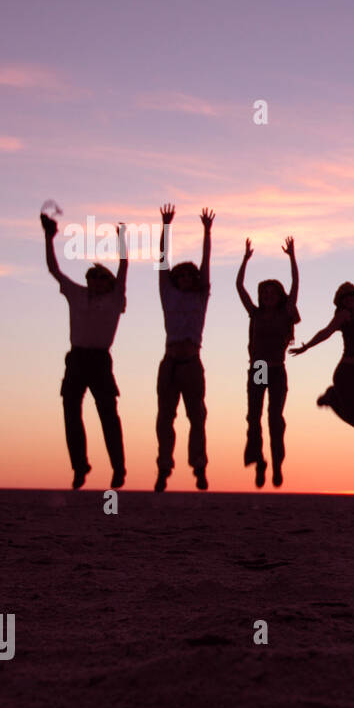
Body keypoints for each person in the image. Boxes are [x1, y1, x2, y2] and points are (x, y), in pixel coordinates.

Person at [43, 211, 128, 490]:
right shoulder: (76, 293)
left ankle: (118, 469)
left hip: (100, 361)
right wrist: (48, 237)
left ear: (109, 283)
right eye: (92, 277)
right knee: (71, 411)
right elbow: (54, 270)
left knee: (108, 415)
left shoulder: (115, 299)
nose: (95, 281)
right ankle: (80, 467)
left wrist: (122, 240)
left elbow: (124, 267)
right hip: (77, 359)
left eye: (101, 278)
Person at [154, 204, 213, 492]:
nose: (186, 280)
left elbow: (206, 263)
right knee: (165, 418)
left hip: (191, 363)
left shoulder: (200, 298)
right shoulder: (168, 293)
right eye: (182, 277)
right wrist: (166, 227)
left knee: (197, 417)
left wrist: (206, 231)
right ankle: (164, 468)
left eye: (190, 276)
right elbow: (163, 263)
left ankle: (199, 466)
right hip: (170, 363)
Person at [292, 260, 354, 429]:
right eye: (345, 298)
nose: (349, 300)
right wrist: (306, 346)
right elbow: (326, 332)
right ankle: (331, 397)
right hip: (347, 374)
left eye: (351, 296)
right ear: (341, 302)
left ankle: (334, 396)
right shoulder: (344, 315)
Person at [236, 236, 300, 488]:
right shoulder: (255, 313)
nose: (268, 295)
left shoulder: (286, 312)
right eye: (264, 292)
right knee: (253, 417)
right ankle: (258, 461)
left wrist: (292, 258)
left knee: (275, 418)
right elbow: (239, 286)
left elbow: (295, 284)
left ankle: (276, 465)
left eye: (272, 292)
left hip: (276, 369)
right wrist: (245, 259)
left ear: (279, 295)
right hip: (259, 369)